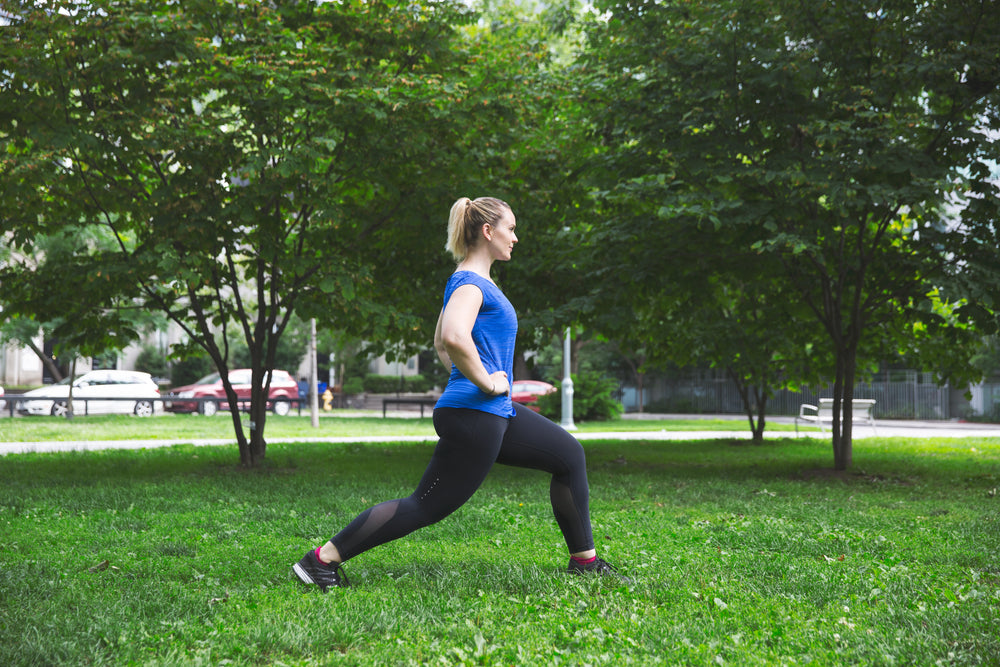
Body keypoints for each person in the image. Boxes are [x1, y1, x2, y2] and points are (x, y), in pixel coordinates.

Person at [292, 196, 624, 590]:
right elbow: (452, 337)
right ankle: (320, 560)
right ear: (488, 231)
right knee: (425, 505)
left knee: (569, 455)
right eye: (511, 228)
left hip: (492, 412)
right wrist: (485, 382)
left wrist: (478, 384)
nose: (515, 237)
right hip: (475, 414)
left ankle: (584, 561)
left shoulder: (470, 282)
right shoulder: (469, 283)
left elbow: (438, 342)